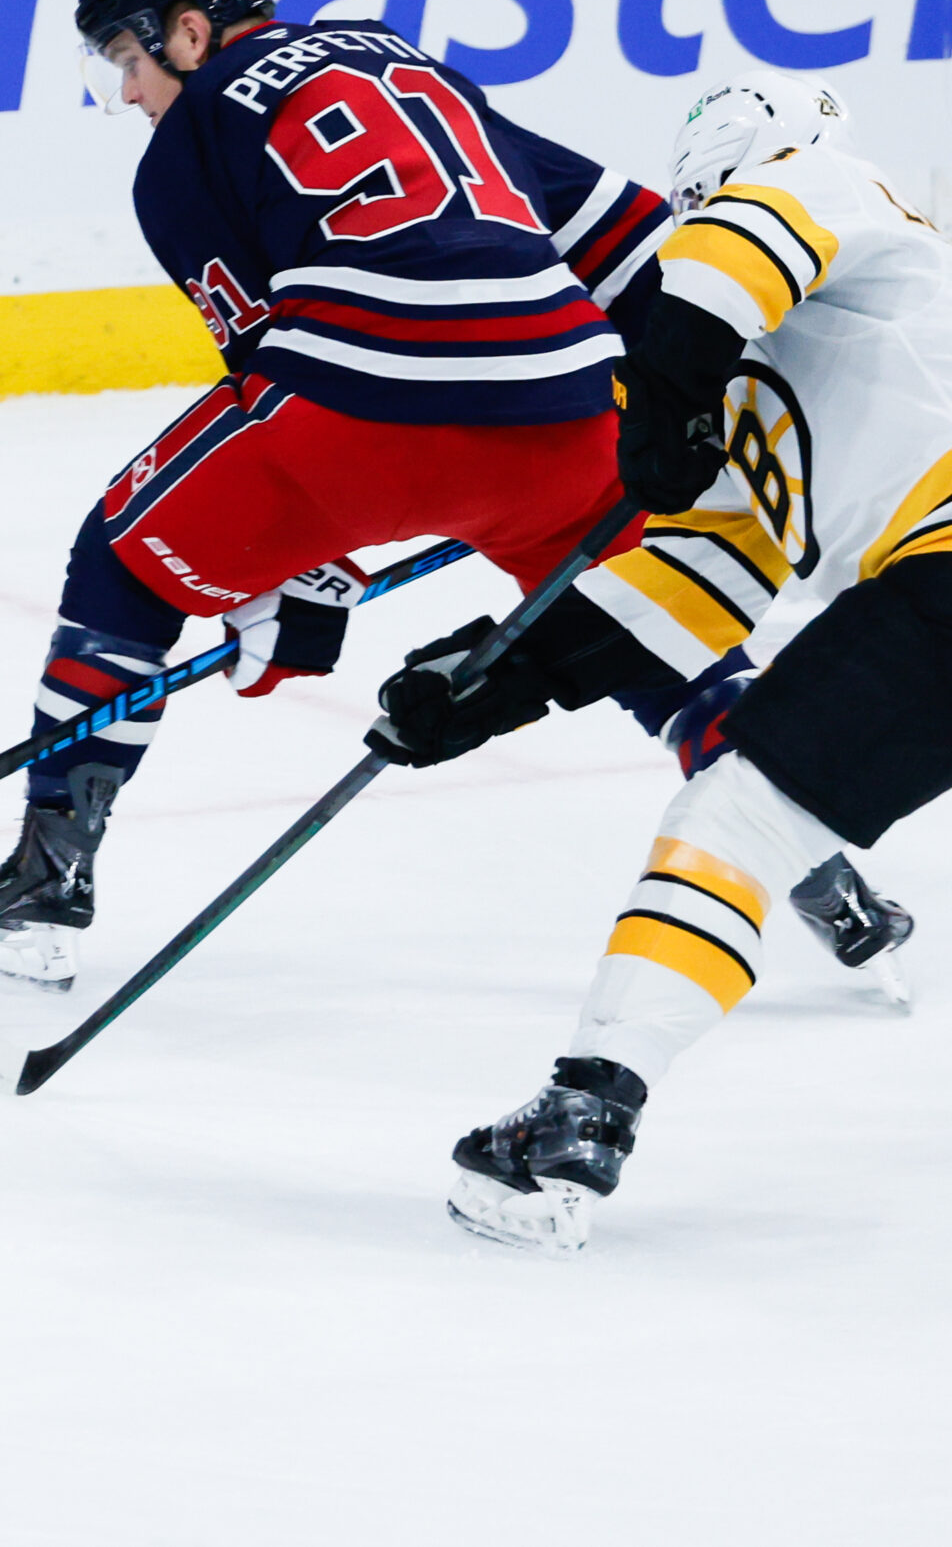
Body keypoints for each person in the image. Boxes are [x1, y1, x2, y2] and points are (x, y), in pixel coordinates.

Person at [0, 0, 672, 987]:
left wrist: (292, 573)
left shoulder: (184, 146)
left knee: (122, 560)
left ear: (189, 31)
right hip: (564, 418)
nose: (129, 93)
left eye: (127, 60)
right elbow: (633, 239)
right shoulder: (410, 66)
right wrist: (683, 400)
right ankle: (807, 857)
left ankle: (47, 875)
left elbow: (268, 376)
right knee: (655, 617)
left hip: (362, 416)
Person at [366, 73, 951, 1253]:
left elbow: (725, 260)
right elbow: (696, 578)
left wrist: (666, 387)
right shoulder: (772, 380)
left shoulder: (828, 189)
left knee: (736, 819)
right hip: (927, 598)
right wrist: (499, 674)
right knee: (745, 810)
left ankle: (583, 1113)